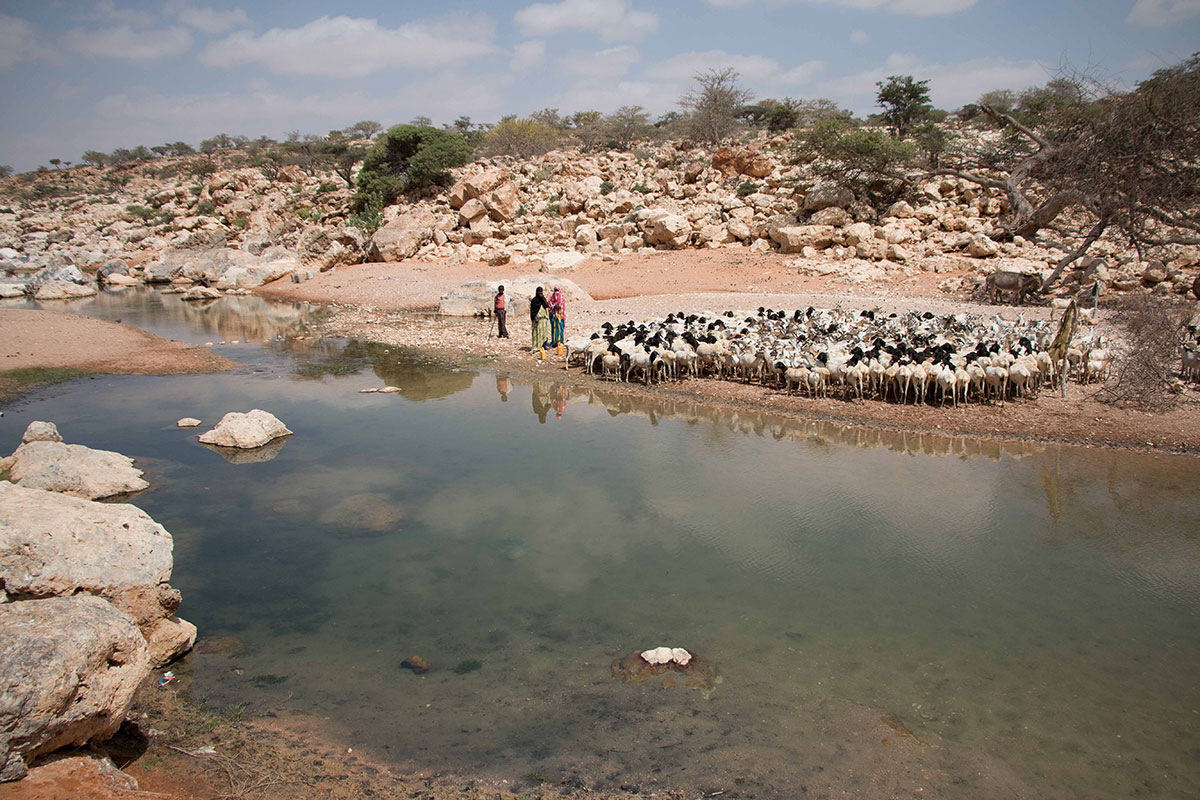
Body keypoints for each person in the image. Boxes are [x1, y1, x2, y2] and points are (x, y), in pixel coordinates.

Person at [530, 286, 550, 352]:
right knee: (537, 333)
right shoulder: (534, 300)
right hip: (537, 319)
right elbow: (532, 310)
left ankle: (543, 345)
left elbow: (547, 305)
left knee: (544, 333)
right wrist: (534, 318)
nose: (540, 293)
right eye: (539, 292)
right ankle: (537, 347)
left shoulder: (542, 299)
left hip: (543, 318)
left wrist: (543, 298)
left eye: (541, 292)